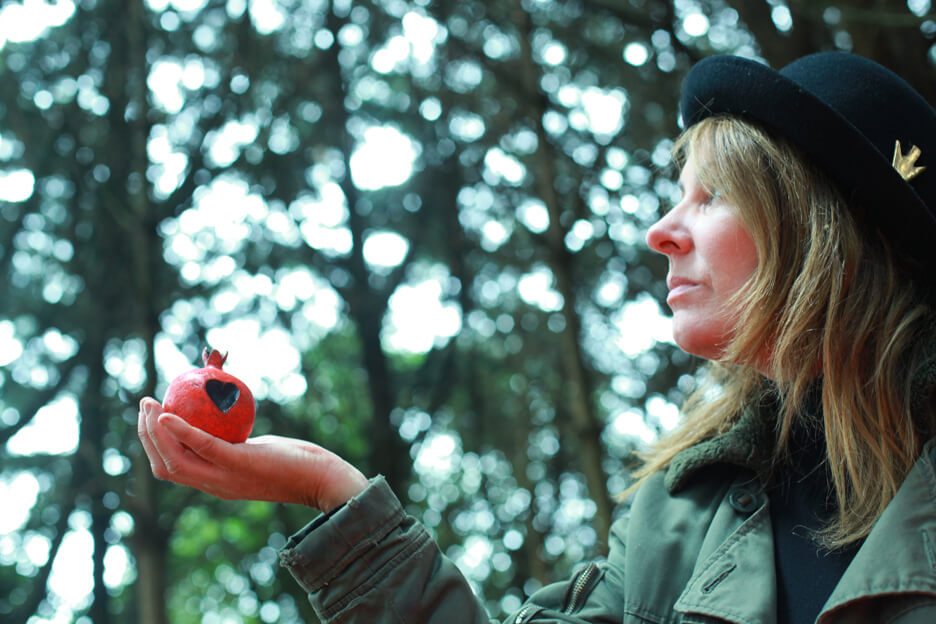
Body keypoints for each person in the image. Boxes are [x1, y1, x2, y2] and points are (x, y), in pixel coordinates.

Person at [138, 51, 936, 623]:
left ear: (826, 235)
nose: (661, 232)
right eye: (674, 196)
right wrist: (333, 494)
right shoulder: (675, 516)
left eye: (712, 196)